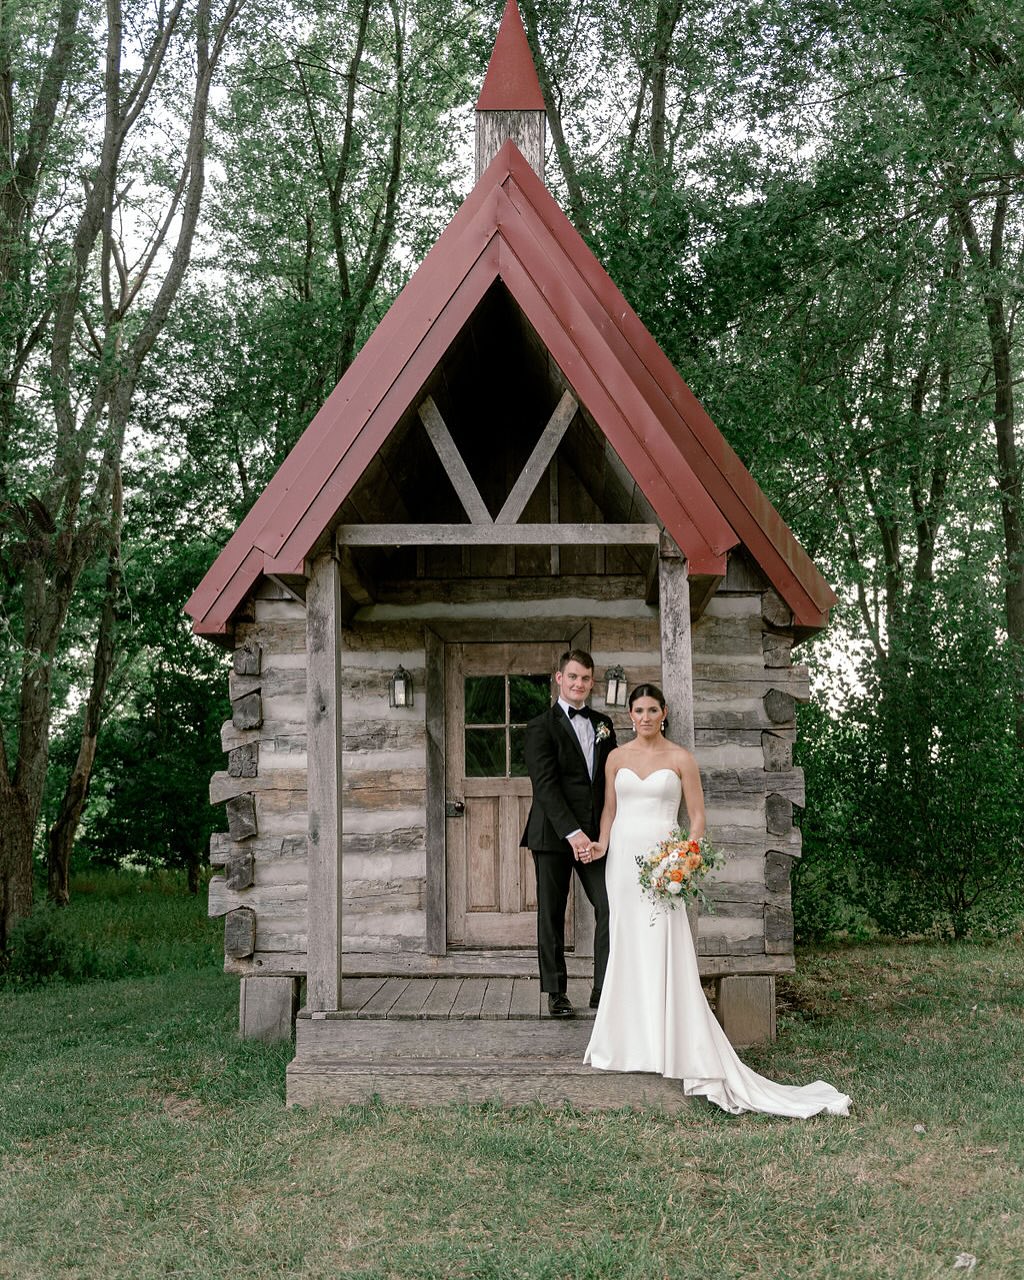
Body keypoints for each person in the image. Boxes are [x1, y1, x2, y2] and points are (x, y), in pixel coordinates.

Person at [582, 683, 851, 1118]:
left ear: (664, 713)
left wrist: (685, 858)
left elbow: (698, 815)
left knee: (662, 947)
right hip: (622, 866)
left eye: (653, 709)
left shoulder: (680, 759)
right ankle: (628, 1044)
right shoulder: (616, 758)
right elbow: (610, 811)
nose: (646, 716)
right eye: (639, 710)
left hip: (662, 862)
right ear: (629, 715)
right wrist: (601, 844)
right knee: (627, 946)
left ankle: (670, 1043)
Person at [522, 649, 617, 1018]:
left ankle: (603, 987)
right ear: (559, 678)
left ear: (592, 683)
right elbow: (545, 786)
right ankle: (555, 992)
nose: (579, 684)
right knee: (552, 913)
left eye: (586, 679)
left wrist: (600, 833)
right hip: (551, 835)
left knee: (610, 905)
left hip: (596, 837)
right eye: (573, 677)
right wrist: (572, 833)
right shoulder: (540, 726)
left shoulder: (604, 724)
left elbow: (611, 779)